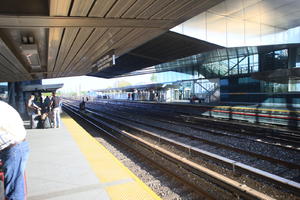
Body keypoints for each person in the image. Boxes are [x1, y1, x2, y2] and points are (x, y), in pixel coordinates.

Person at [0, 100, 29, 200]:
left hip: (13, 148)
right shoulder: (3, 105)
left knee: (13, 190)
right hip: (17, 145)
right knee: (16, 185)